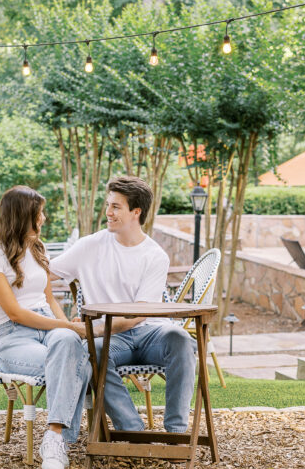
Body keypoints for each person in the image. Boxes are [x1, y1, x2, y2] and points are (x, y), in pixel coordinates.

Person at [49, 174, 196, 433]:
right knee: (91, 354)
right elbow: (43, 274)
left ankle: (177, 434)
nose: (108, 212)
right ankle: (132, 431)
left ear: (135, 212)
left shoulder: (154, 256)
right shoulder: (90, 246)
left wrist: (88, 330)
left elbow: (137, 316)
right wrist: (3, 267)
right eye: (108, 205)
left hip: (150, 332)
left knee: (181, 338)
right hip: (111, 340)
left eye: (115, 207)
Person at [0, 186, 91, 469]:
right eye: (40, 212)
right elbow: (15, 312)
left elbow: (49, 300)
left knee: (70, 345)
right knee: (80, 363)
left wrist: (69, 326)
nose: (44, 217)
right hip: (13, 336)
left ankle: (54, 437)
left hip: (47, 327)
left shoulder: (37, 248)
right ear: (23, 216)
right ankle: (63, 440)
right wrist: (70, 327)